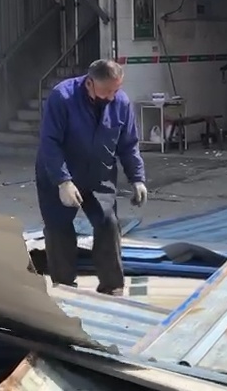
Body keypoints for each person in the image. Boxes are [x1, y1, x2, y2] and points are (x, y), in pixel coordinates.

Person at [35, 59, 147, 296]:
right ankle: (65, 287)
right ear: (89, 83)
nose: (112, 96)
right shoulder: (62, 98)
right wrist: (63, 181)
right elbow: (50, 142)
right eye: (107, 91)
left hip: (99, 174)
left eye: (116, 89)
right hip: (60, 174)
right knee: (59, 229)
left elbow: (128, 144)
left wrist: (137, 178)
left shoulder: (121, 102)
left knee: (108, 224)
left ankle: (112, 286)